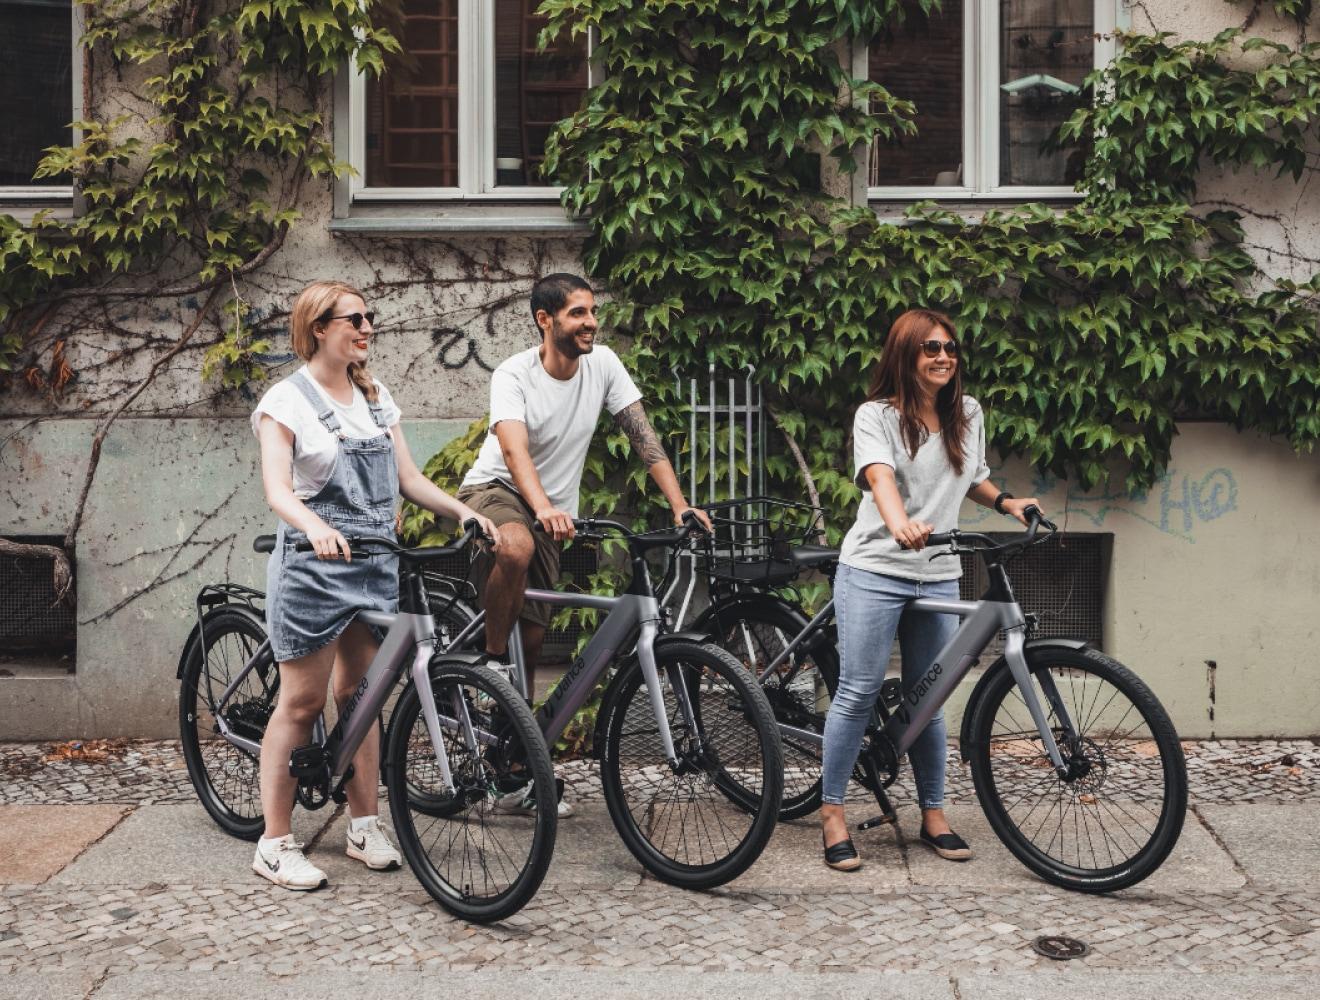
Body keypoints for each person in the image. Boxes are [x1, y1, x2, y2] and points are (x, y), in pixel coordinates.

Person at [250, 280, 500, 891]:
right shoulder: (286, 402)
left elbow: (408, 477)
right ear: (318, 328)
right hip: (315, 569)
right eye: (353, 319)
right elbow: (279, 492)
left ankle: (364, 824)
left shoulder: (375, 395)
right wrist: (314, 527)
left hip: (374, 566)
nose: (366, 328)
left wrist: (462, 512)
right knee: (302, 704)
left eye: (369, 318)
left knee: (362, 698)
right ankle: (274, 843)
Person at [457, 273, 712, 814]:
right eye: (577, 313)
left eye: (593, 311)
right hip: (497, 491)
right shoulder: (514, 374)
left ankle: (512, 774)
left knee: (535, 644)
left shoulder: (604, 365)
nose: (591, 322)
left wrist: (679, 503)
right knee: (516, 551)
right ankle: (490, 662)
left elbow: (643, 437)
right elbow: (514, 449)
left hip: (554, 512)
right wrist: (543, 506)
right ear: (544, 320)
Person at [819, 308, 1043, 871]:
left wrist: (1007, 502)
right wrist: (897, 523)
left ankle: (934, 813)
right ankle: (832, 812)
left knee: (930, 697)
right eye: (930, 349)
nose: (943, 357)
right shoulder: (876, 415)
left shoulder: (967, 412)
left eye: (949, 348)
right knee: (859, 690)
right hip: (874, 566)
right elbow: (879, 476)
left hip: (938, 570)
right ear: (906, 355)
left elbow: (973, 475)